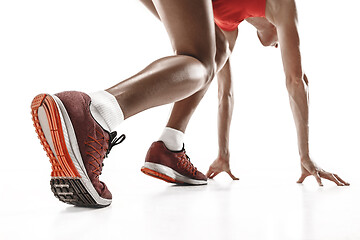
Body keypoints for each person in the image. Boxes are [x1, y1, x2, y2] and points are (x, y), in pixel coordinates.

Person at [30, 0, 348, 208]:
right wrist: (306, 156)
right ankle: (95, 111)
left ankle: (169, 145)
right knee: (199, 60)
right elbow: (296, 81)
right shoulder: (282, 6)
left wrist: (223, 155)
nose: (284, 43)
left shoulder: (231, 19)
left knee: (212, 55)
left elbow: (225, 91)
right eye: (288, 38)